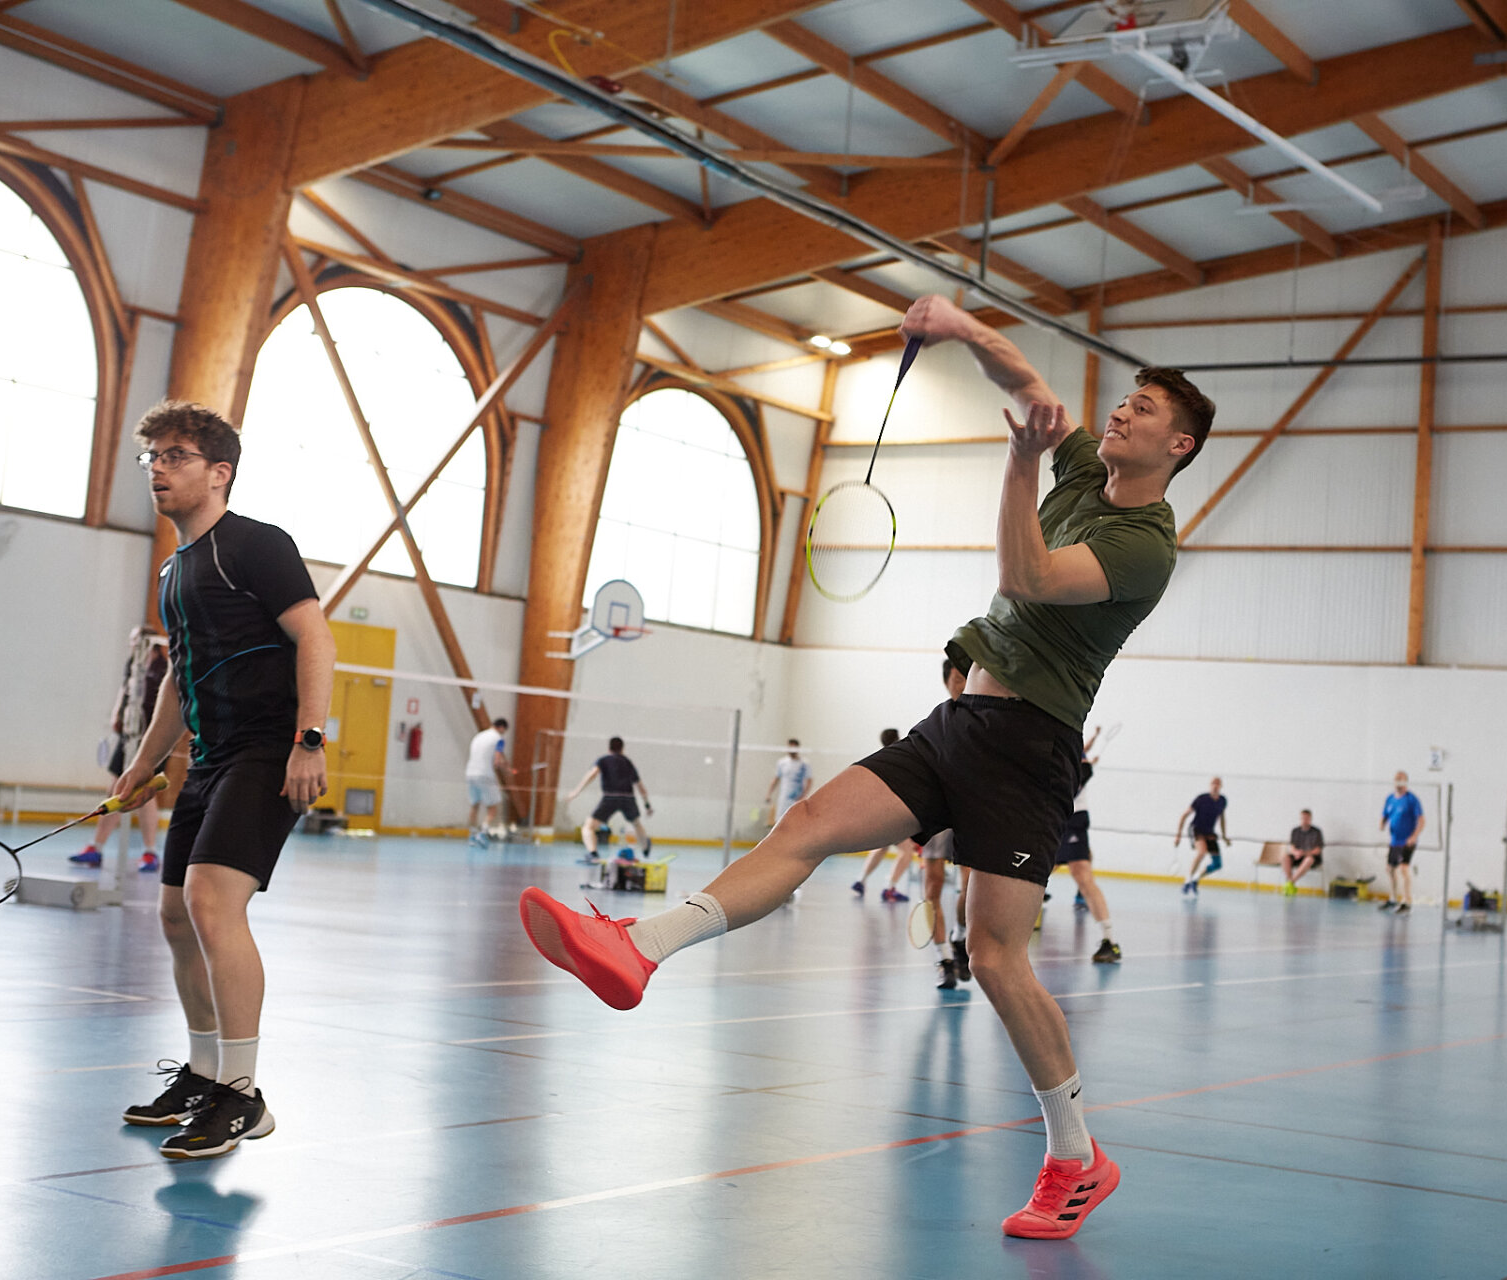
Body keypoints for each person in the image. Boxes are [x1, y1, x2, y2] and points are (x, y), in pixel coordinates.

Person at [516, 292, 1212, 1239]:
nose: (1122, 411)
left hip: (1031, 750)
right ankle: (637, 948)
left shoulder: (1144, 547)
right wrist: (962, 328)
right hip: (961, 721)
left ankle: (1076, 1156)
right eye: (1126, 399)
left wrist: (1018, 464)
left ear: (1178, 446)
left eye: (1145, 409)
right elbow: (1029, 383)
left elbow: (1028, 577)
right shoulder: (1088, 466)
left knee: (998, 958)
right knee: (806, 826)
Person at [111, 400, 333, 1160]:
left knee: (211, 902)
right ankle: (205, 1074)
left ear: (219, 472)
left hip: (269, 748)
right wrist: (144, 763)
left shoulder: (256, 545)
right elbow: (181, 677)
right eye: (153, 457)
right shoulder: (173, 570)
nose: (159, 469)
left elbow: (316, 638)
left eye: (175, 456)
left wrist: (309, 739)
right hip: (208, 756)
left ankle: (242, 1095)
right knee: (176, 915)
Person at [72, 633, 168, 871]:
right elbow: (125, 689)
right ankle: (96, 847)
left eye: (136, 642)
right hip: (128, 735)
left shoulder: (164, 667)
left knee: (146, 793)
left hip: (152, 738)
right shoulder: (133, 663)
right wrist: (117, 713)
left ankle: (150, 852)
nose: (132, 646)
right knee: (115, 788)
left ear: (151, 644)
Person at [923, 657, 971, 988]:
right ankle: (943, 959)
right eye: (957, 678)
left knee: (971, 889)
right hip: (937, 815)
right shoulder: (936, 723)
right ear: (947, 681)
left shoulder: (987, 722)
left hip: (970, 815)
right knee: (932, 888)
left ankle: (960, 936)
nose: (963, 684)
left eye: (967, 677)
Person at [1054, 728, 1118, 962]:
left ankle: (1109, 941)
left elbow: (1080, 774)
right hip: (1050, 819)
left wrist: (1088, 765)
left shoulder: (1076, 754)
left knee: (1082, 874)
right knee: (1033, 876)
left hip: (1073, 818)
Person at [852, 728, 918, 901]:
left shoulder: (878, 758)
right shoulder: (899, 760)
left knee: (882, 847)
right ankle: (890, 888)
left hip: (878, 813)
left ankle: (861, 880)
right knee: (906, 851)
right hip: (893, 814)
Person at [567, 735, 653, 860]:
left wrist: (576, 791)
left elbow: (592, 774)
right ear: (622, 749)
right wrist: (647, 805)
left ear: (609, 748)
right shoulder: (627, 762)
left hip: (610, 797)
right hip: (628, 798)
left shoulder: (603, 760)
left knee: (588, 827)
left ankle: (593, 853)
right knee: (636, 823)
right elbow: (640, 786)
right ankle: (645, 847)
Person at [1379, 771, 1425, 914]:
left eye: (1401, 779)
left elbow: (1421, 820)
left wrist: (1414, 836)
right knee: (1390, 869)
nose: (1398, 782)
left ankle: (1407, 902)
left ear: (1405, 782)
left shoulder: (1412, 799)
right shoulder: (1390, 799)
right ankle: (1393, 899)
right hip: (1394, 841)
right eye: (1396, 779)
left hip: (1407, 841)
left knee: (1403, 869)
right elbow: (1385, 815)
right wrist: (1382, 823)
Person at [1177, 778, 1228, 895]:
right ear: (1210, 785)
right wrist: (1178, 835)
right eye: (1213, 783)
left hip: (1209, 832)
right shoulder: (1201, 799)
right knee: (1202, 852)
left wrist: (1224, 836)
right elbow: (1184, 815)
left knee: (1217, 864)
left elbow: (1222, 818)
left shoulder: (1222, 801)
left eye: (1218, 784)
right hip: (1196, 829)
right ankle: (1187, 881)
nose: (1215, 786)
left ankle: (1196, 878)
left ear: (1221, 786)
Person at [465, 718, 510, 846]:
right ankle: (483, 833)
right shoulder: (498, 739)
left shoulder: (478, 736)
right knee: (493, 807)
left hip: (470, 773)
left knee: (474, 805)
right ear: (502, 728)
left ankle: (472, 835)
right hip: (485, 774)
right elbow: (497, 761)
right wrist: (506, 768)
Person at [764, 739, 812, 826]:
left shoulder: (804, 764)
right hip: (784, 798)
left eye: (793, 748)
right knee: (780, 823)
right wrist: (769, 794)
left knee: (796, 822)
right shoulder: (782, 762)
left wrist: (804, 796)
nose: (791, 750)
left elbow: (809, 780)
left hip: (797, 798)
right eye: (790, 748)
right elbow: (776, 779)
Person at [1283, 809, 1324, 896]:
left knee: (1309, 859)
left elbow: (1317, 850)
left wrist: (1304, 853)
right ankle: (1290, 883)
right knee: (1285, 858)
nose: (1304, 820)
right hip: (1297, 856)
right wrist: (1296, 853)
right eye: (1303, 818)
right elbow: (1292, 848)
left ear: (1310, 819)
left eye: (1307, 818)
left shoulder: (1316, 832)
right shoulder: (1295, 831)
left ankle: (1290, 882)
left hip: (1311, 857)